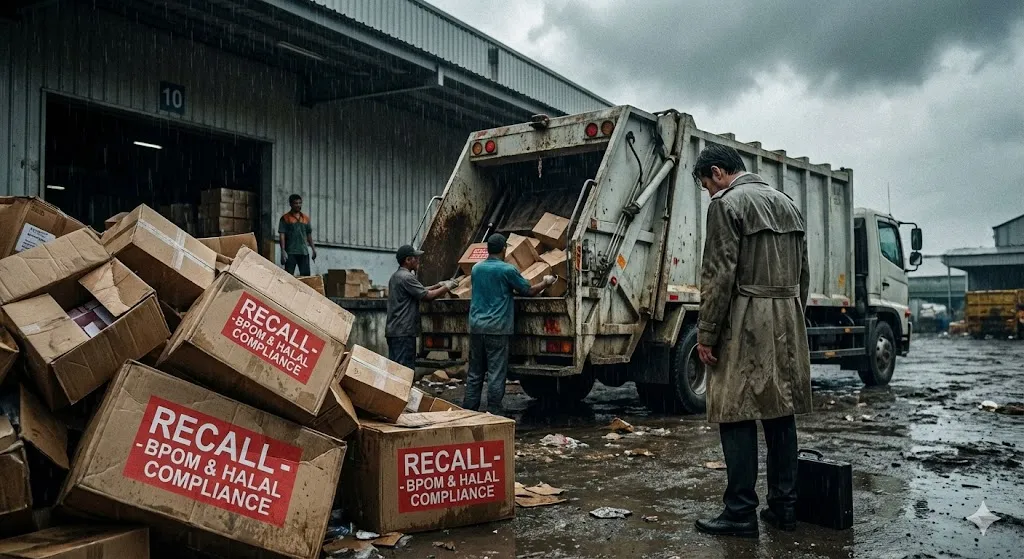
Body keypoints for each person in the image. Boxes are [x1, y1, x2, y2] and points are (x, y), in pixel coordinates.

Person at [692, 144, 812, 538]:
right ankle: (784, 507)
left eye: (707, 185)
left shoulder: (727, 205)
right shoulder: (787, 203)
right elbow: (804, 273)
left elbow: (718, 274)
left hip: (746, 316)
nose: (710, 192)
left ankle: (740, 512)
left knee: (735, 411)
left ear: (717, 173)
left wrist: (706, 333)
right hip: (787, 314)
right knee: (781, 412)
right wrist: (793, 314)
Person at [464, 233, 556, 414]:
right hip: (497, 329)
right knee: (496, 374)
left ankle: (468, 411)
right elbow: (527, 291)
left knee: (475, 373)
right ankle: (494, 412)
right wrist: (545, 283)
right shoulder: (507, 270)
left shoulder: (476, 269)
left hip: (476, 328)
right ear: (504, 249)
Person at [385, 245, 458, 371]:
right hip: (403, 332)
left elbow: (419, 290)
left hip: (395, 331)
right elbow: (427, 296)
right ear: (408, 260)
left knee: (395, 369)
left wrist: (438, 285)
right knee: (404, 371)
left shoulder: (396, 276)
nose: (418, 260)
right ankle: (403, 391)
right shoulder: (407, 277)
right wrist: (447, 287)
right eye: (415, 258)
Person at [278, 194, 316, 276]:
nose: (298, 205)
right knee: (288, 277)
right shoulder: (285, 218)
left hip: (304, 252)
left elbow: (309, 235)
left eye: (300, 203)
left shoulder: (305, 218)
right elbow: (282, 235)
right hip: (290, 252)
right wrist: (283, 251)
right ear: (291, 204)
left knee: (306, 277)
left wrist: (313, 249)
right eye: (296, 203)